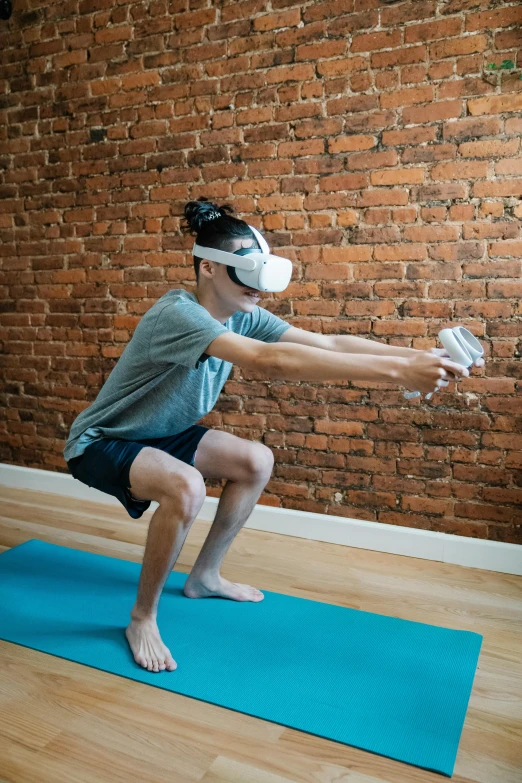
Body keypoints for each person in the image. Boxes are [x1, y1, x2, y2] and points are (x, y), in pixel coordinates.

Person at [64, 197, 480, 674]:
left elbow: (326, 344)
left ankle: (204, 577)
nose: (259, 289)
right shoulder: (177, 315)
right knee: (187, 487)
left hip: (161, 433)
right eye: (247, 273)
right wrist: (399, 375)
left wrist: (414, 358)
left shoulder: (244, 314)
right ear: (207, 269)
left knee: (255, 461)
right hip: (103, 440)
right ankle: (142, 618)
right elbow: (268, 361)